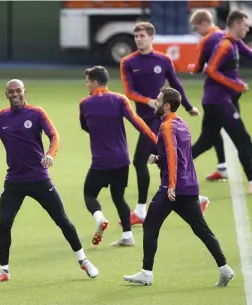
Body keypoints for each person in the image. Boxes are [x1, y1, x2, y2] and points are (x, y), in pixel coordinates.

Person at [0, 79, 99, 282]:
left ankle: (83, 260)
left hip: (39, 179)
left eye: (18, 90)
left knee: (62, 220)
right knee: (4, 224)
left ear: (24, 92)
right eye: (10, 91)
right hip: (14, 182)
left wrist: (50, 155)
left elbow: (54, 136)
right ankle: (4, 270)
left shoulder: (36, 113)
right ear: (6, 94)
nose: (15, 94)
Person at [123, 88, 234, 287]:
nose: (155, 103)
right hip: (189, 186)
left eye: (158, 100)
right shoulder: (181, 124)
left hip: (172, 188)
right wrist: (158, 159)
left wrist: (171, 185)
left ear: (166, 105)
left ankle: (146, 273)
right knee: (201, 229)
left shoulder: (165, 127)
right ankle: (224, 267)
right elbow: (181, 155)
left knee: (150, 226)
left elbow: (174, 156)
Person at [120, 21, 207, 225]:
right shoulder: (128, 62)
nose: (139, 40)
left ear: (151, 37)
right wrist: (148, 101)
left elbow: (176, 85)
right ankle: (197, 200)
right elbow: (129, 91)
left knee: (141, 160)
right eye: (136, 36)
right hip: (144, 117)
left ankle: (141, 211)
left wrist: (187, 106)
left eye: (142, 36)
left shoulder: (163, 60)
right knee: (164, 161)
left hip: (160, 120)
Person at [191, 10, 252, 194]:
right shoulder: (224, 45)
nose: (248, 29)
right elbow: (211, 71)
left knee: (206, 141)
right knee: (242, 139)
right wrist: (236, 84)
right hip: (218, 101)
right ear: (236, 24)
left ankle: (172, 167)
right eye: (246, 25)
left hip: (216, 100)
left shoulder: (233, 42)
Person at [79, 66, 158, 247]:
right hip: (122, 160)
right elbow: (138, 122)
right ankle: (128, 235)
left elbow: (85, 126)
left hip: (100, 162)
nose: (87, 85)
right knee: (119, 197)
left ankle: (99, 218)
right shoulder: (120, 100)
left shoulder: (85, 103)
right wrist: (155, 139)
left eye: (87, 82)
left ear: (94, 82)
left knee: (89, 194)